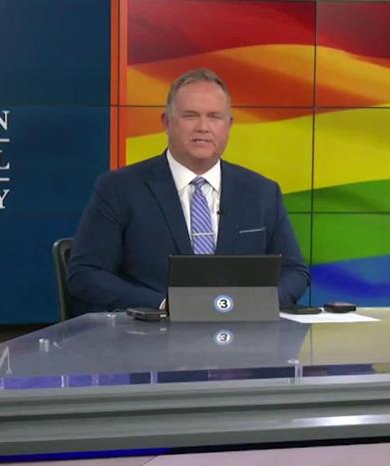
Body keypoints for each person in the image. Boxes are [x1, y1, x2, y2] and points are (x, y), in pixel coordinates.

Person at [68, 68, 309, 313]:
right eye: (190, 116)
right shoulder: (119, 188)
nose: (203, 127)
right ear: (167, 122)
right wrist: (165, 305)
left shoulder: (262, 192)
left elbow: (295, 272)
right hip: (152, 330)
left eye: (214, 117)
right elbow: (85, 274)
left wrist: (258, 304)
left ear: (229, 125)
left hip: (242, 329)